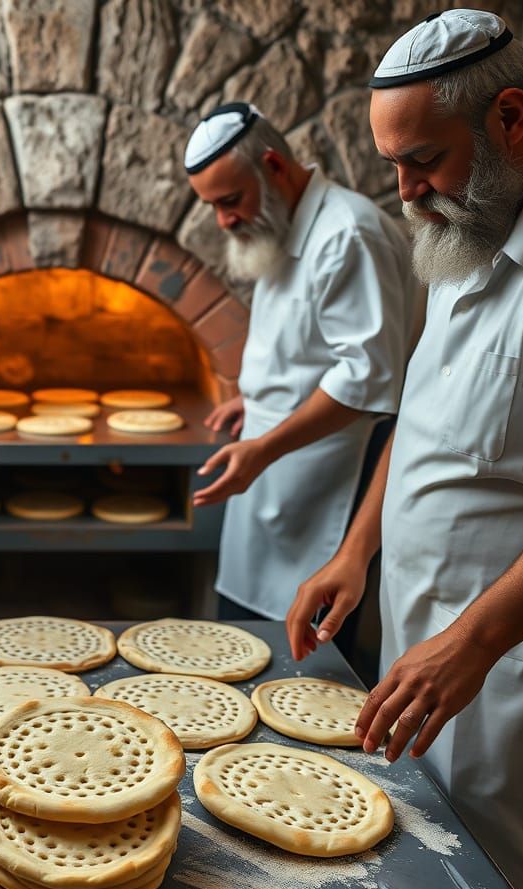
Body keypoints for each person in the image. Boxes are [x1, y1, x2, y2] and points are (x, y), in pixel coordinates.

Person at [286, 11, 523, 889]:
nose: (404, 192)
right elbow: (425, 414)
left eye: (423, 161)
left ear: (510, 117)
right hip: (432, 648)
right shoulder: (466, 224)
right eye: (392, 165)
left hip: (518, 676)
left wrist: (475, 641)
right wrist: (356, 550)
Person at [185, 103, 421, 630]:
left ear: (273, 165)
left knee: (306, 659)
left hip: (331, 473)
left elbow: (366, 380)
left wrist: (264, 448)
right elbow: (307, 346)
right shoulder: (278, 222)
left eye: (229, 201)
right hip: (272, 467)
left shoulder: (348, 235)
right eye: (212, 207)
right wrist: (259, 396)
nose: (224, 220)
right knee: (245, 637)